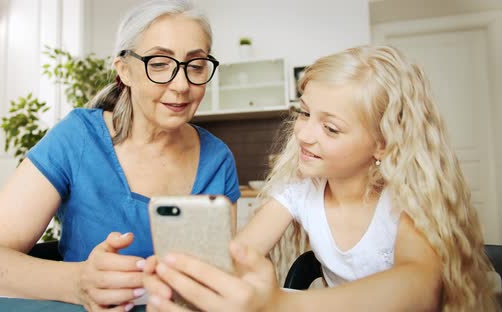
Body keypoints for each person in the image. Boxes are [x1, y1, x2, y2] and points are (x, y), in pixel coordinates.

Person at [143, 45, 499, 311]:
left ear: (382, 144)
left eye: (330, 127)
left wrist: (280, 303)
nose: (304, 134)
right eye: (305, 113)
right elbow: (242, 253)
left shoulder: (407, 198)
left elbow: (420, 286)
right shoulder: (299, 193)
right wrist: (187, 277)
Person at [0, 1, 240, 311]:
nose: (182, 85)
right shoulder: (77, 138)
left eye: (196, 65)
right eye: (159, 63)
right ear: (124, 71)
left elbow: (214, 286)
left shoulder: (217, 161)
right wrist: (77, 282)